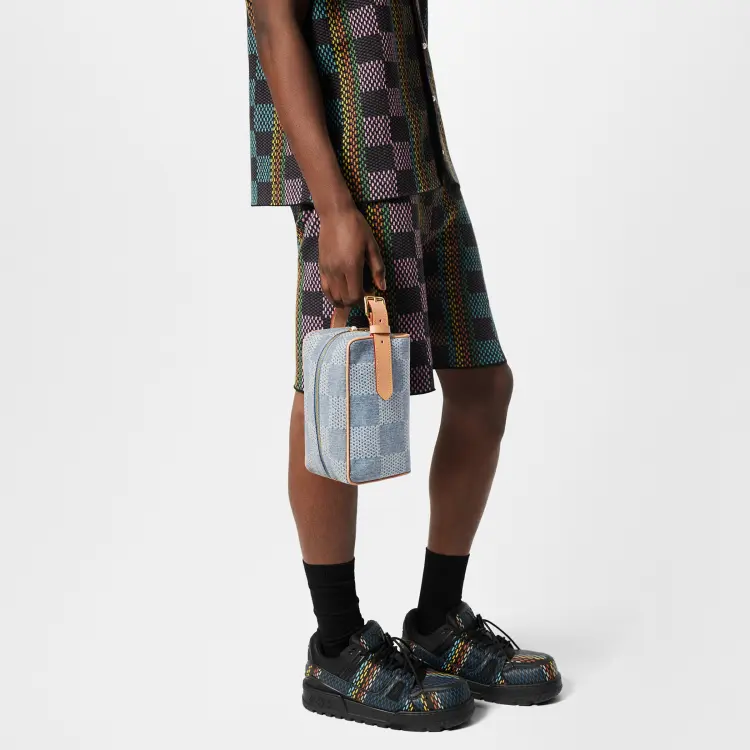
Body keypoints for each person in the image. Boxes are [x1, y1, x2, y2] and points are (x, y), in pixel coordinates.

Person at [246, 0, 561, 730]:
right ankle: (337, 647)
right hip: (350, 171)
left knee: (484, 384)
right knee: (333, 392)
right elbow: (272, 21)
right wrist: (333, 207)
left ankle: (438, 622)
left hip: (419, 154)